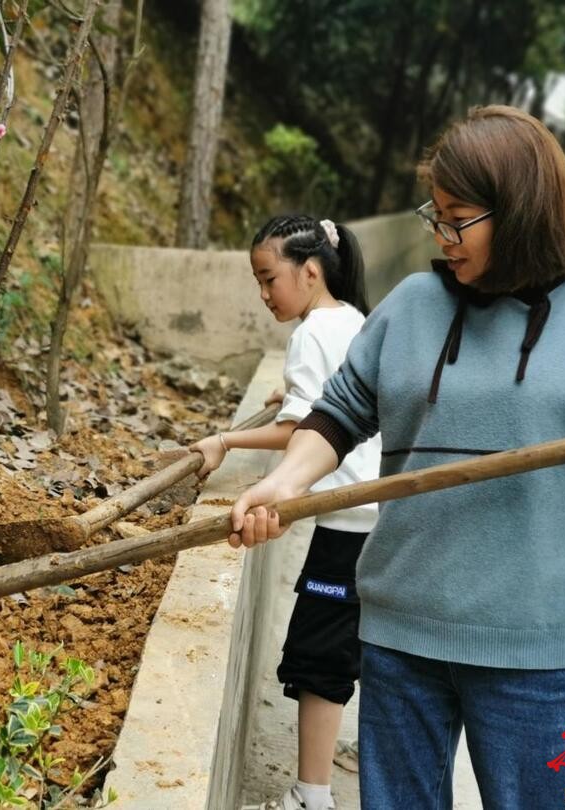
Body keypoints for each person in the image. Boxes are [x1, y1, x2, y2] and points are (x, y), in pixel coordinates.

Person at [227, 105, 565, 810]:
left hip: (535, 654)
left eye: (459, 219)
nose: (442, 235)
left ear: (519, 211)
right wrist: (280, 483)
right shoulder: (415, 306)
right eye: (437, 214)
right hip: (400, 632)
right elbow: (338, 413)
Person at [190, 214, 382, 810]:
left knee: (318, 656)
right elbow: (325, 398)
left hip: (349, 519)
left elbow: (300, 428)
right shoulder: (353, 320)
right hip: (383, 516)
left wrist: (224, 441)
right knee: (360, 646)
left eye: (269, 278)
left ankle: (311, 796)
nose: (265, 293)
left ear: (311, 271)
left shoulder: (309, 334)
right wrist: (287, 396)